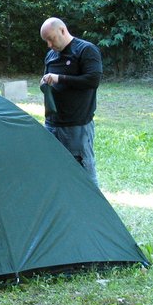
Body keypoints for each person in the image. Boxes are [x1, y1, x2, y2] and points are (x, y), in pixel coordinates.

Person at [39, 17, 102, 187]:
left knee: (83, 173)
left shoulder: (86, 50)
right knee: (54, 169)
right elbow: (49, 80)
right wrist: (45, 82)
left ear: (62, 30)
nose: (49, 45)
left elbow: (92, 80)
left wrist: (59, 78)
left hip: (77, 125)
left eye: (51, 39)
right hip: (52, 124)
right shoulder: (51, 55)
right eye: (46, 41)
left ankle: (93, 203)